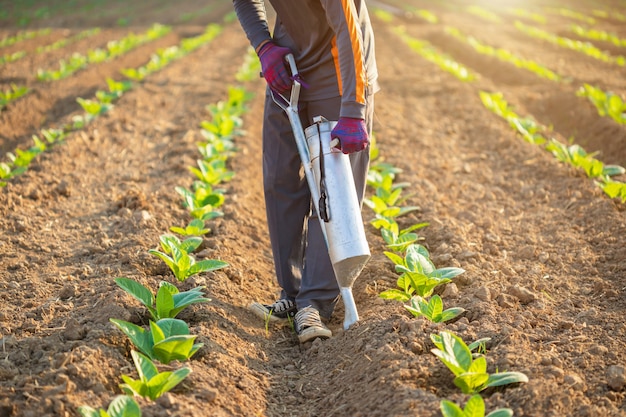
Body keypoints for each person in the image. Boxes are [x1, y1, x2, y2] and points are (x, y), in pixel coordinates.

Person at [232, 0, 379, 343]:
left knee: (333, 187)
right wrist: (264, 46)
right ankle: (292, 292)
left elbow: (347, 28)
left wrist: (354, 110)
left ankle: (315, 300)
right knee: (279, 176)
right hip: (289, 59)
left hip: (341, 67)